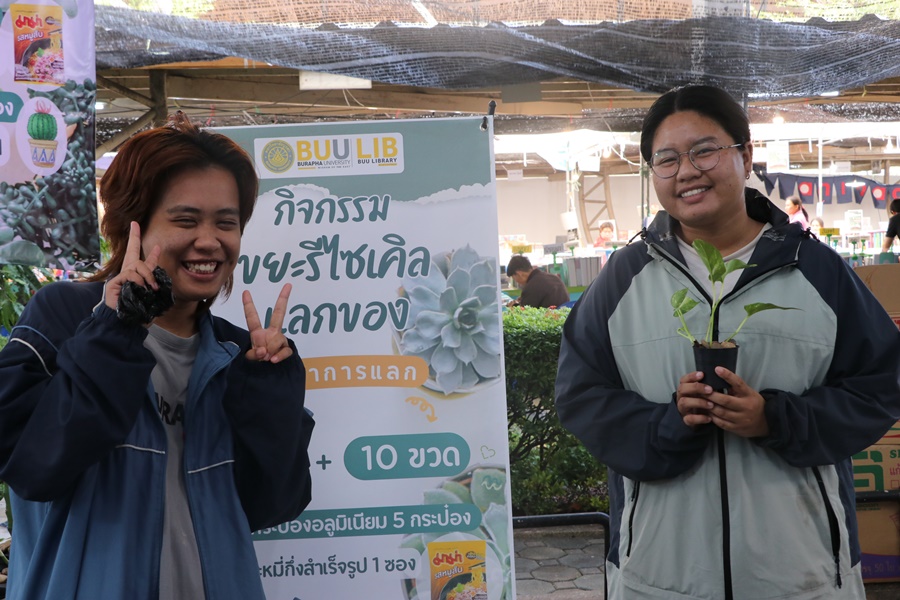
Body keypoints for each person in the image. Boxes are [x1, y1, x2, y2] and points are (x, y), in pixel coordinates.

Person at [555, 85, 900, 600]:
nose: (686, 171)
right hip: (659, 575)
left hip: (801, 574)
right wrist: (668, 426)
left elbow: (881, 385)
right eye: (667, 159)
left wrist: (775, 420)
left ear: (745, 154)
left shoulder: (816, 270)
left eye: (704, 151)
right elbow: (580, 396)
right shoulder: (622, 279)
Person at [0, 113, 315, 600]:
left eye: (226, 223)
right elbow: (35, 470)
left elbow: (272, 506)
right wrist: (116, 331)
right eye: (185, 220)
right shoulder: (64, 316)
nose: (209, 240)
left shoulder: (239, 353)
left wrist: (270, 391)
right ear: (134, 226)